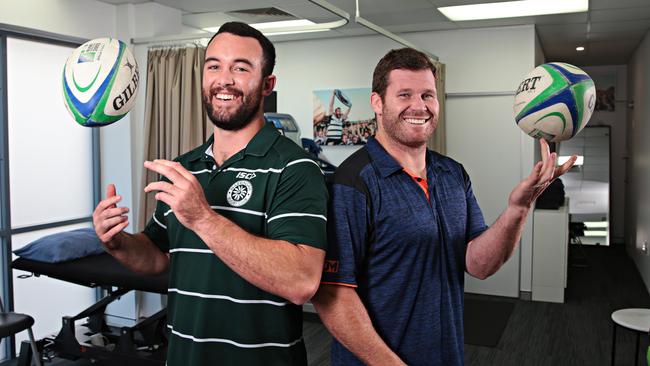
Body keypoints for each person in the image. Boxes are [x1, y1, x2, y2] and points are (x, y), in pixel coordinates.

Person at [311, 48, 575, 366]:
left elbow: (478, 264)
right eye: (404, 94)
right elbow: (333, 296)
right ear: (377, 103)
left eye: (428, 95)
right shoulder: (352, 182)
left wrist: (519, 208)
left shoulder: (452, 173)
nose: (419, 106)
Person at [92, 22, 328, 366]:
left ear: (267, 85)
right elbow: (159, 256)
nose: (224, 79)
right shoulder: (183, 168)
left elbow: (301, 281)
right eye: (214, 66)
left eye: (241, 68)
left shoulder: (295, 168)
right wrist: (117, 242)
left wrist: (202, 218)